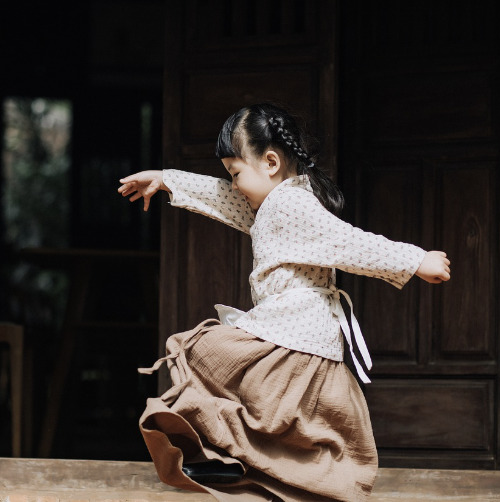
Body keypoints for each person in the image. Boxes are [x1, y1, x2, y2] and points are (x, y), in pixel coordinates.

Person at [117, 103, 451, 502]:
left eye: (236, 173)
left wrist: (415, 261)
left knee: (205, 355)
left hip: (295, 342)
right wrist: (167, 180)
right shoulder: (277, 203)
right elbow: (224, 199)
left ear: (271, 162)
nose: (233, 184)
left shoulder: (290, 205)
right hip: (296, 338)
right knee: (283, 420)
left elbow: (348, 242)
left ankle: (232, 459)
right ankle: (239, 462)